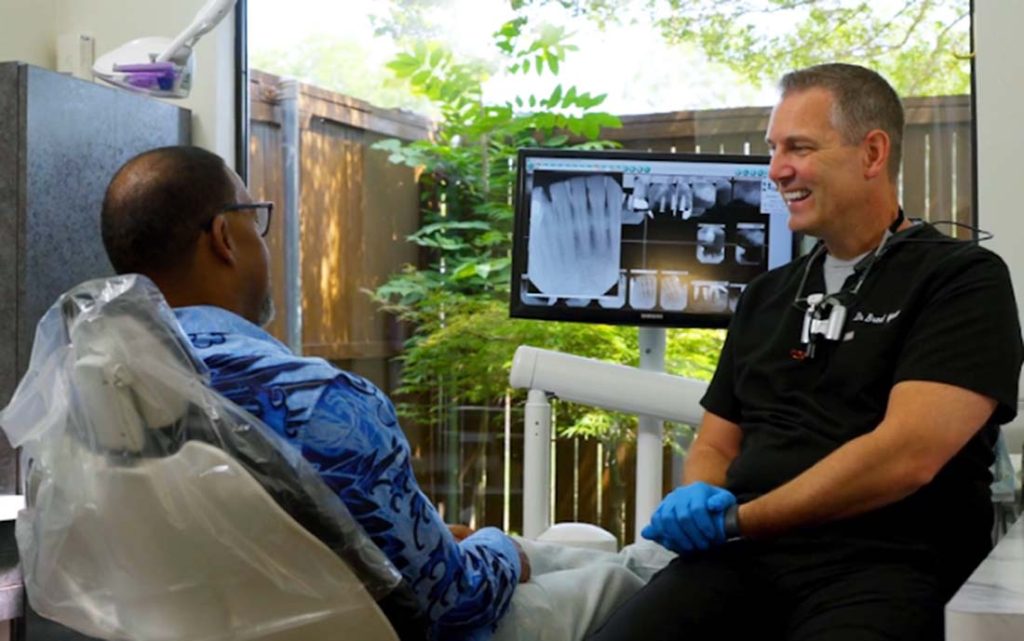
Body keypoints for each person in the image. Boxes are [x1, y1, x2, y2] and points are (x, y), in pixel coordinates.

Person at [99, 145, 654, 641]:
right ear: (224, 236)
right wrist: (500, 548)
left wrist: (435, 544)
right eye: (254, 219)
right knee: (622, 581)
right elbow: (455, 605)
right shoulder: (321, 404)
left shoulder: (99, 392)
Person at [587, 63, 1023, 641]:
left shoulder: (960, 279)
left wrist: (740, 518)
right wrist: (699, 492)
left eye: (799, 147)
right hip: (740, 562)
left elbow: (906, 456)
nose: (776, 169)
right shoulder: (768, 295)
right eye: (774, 149)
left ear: (872, 153)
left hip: (887, 565)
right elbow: (717, 442)